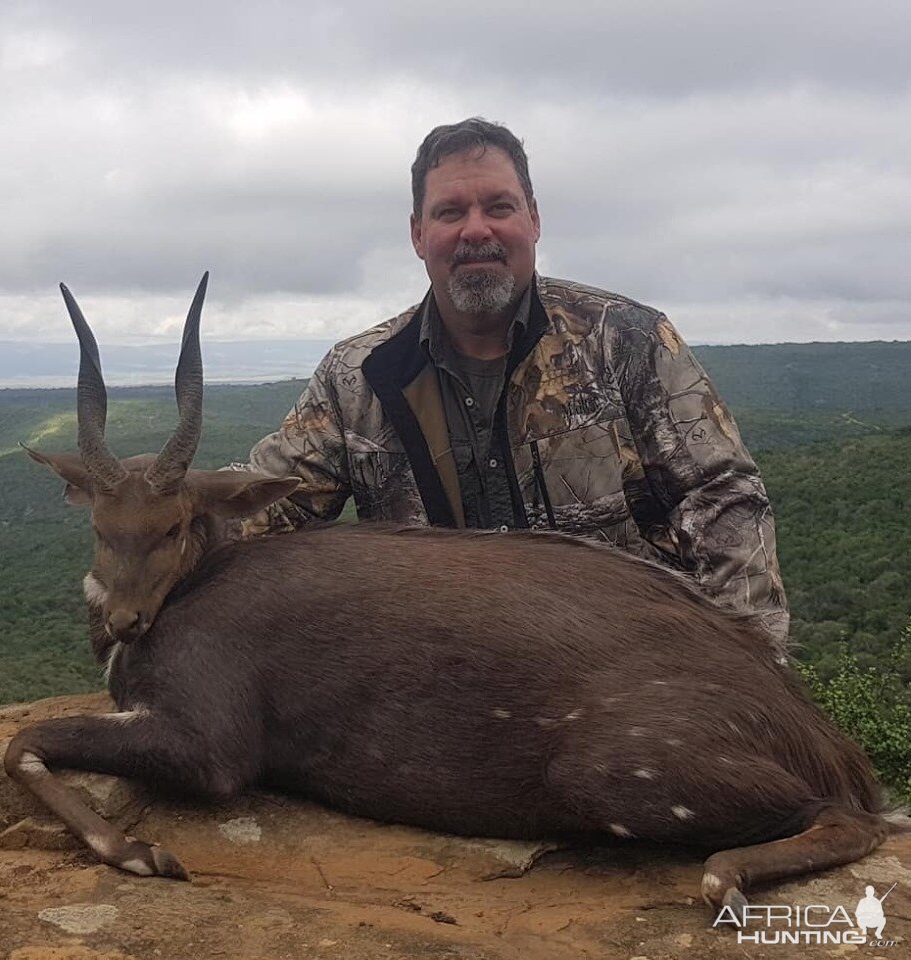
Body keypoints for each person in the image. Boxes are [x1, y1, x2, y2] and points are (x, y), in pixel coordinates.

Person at [241, 117, 789, 648]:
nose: (475, 229)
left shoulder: (628, 339)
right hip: (435, 690)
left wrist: (744, 674)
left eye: (498, 207)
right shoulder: (355, 376)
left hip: (624, 686)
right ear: (418, 234)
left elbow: (723, 500)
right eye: (450, 212)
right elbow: (260, 508)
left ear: (534, 218)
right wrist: (160, 507)